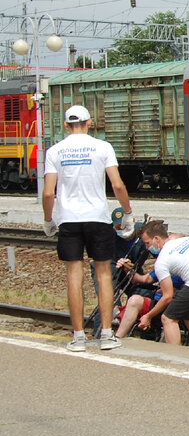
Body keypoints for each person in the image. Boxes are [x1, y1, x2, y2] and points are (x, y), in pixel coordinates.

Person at [43, 104, 134, 352]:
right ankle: (106, 334)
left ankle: (78, 337)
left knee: (74, 274)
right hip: (97, 217)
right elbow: (117, 185)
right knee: (103, 273)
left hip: (69, 219)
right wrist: (127, 212)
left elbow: (49, 192)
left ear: (65, 125)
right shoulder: (103, 148)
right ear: (89, 123)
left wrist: (48, 219)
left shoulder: (54, 151)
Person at [136, 220, 189, 348]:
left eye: (147, 243)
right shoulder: (188, 240)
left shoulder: (162, 260)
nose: (146, 247)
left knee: (168, 318)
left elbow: (167, 296)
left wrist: (148, 316)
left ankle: (175, 357)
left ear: (156, 238)